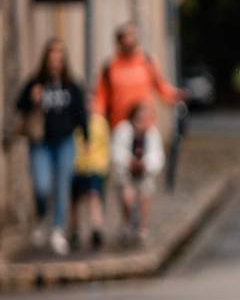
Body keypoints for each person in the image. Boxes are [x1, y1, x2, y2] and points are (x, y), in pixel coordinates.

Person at [13, 38, 88, 255]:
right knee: (42, 186)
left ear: (64, 61)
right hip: (41, 142)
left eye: (59, 59)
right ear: (45, 59)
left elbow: (80, 112)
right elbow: (19, 105)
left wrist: (86, 136)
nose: (55, 63)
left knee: (62, 186)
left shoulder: (71, 84)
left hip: (65, 141)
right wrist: (31, 99)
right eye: (52, 58)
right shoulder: (35, 82)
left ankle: (57, 230)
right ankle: (42, 217)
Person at [93, 22, 183, 129]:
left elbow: (161, 87)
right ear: (118, 41)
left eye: (131, 36)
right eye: (124, 37)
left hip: (145, 124)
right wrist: (97, 117)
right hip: (119, 126)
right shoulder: (110, 66)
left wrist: (176, 95)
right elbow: (101, 97)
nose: (128, 40)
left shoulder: (147, 62)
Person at [110, 102, 165, 245]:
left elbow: (157, 156)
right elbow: (116, 151)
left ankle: (142, 228)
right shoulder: (123, 130)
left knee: (144, 197)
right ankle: (127, 223)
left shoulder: (152, 134)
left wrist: (146, 164)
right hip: (126, 173)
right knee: (127, 198)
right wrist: (129, 161)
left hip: (144, 174)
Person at [71, 110, 111, 250]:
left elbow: (106, 146)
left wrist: (104, 166)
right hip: (77, 168)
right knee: (74, 202)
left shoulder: (100, 123)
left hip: (95, 167)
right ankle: (74, 231)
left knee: (94, 196)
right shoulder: (73, 123)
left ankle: (96, 229)